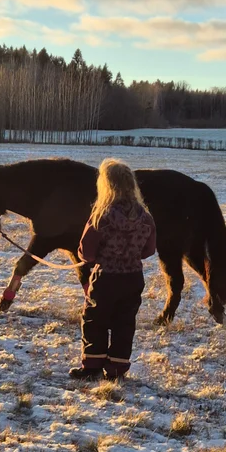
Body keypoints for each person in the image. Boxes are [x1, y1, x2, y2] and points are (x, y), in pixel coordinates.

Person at [71, 159, 156, 380]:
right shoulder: (145, 217)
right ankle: (117, 369)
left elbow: (85, 251)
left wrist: (99, 257)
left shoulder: (101, 217)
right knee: (125, 322)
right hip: (133, 278)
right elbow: (148, 250)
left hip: (105, 277)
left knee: (94, 319)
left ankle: (92, 365)